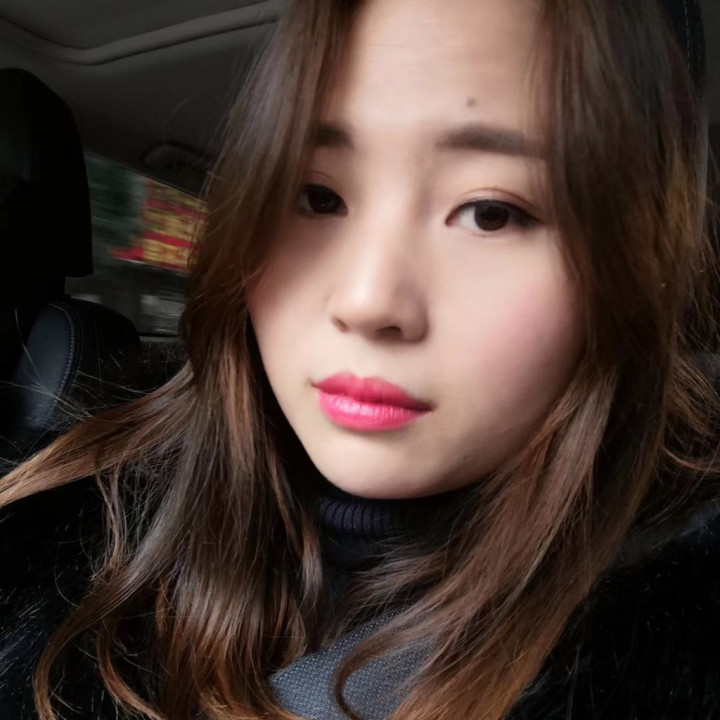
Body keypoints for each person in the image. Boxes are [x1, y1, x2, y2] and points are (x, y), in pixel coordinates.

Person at [1, 0, 719, 718]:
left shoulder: (657, 638)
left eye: (491, 212)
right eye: (317, 197)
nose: (368, 299)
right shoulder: (71, 522)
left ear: (638, 266)